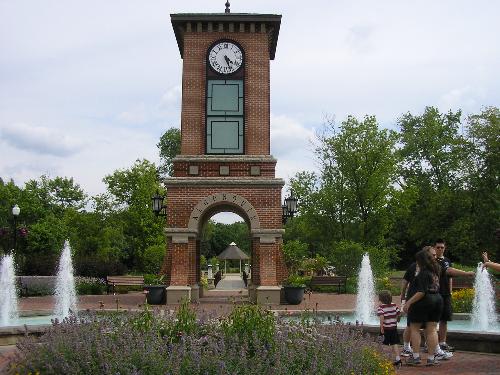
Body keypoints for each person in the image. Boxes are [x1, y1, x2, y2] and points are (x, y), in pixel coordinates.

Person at [403, 247, 443, 366]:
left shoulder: (423, 274)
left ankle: (415, 357)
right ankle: (431, 358)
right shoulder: (436, 270)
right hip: (437, 300)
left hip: (424, 302)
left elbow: (421, 292)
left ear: (421, 261)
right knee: (431, 330)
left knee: (415, 328)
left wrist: (408, 302)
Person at [434, 239, 475, 352]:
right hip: (435, 294)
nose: (440, 249)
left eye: (442, 247)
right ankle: (431, 344)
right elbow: (449, 271)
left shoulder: (447, 260)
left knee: (444, 319)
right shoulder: (432, 261)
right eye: (438, 247)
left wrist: (450, 291)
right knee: (432, 321)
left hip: (446, 294)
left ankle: (442, 343)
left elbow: (449, 277)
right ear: (435, 248)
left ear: (445, 248)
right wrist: (466, 274)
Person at [377, 290, 402, 367]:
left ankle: (384, 359)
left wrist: (381, 327)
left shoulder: (381, 308)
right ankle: (398, 359)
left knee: (383, 343)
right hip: (393, 328)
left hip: (385, 328)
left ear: (381, 300)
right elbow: (399, 314)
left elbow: (382, 317)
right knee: (394, 343)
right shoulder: (394, 305)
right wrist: (397, 320)